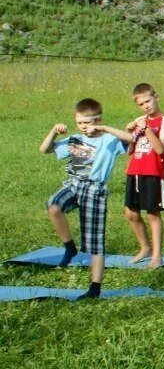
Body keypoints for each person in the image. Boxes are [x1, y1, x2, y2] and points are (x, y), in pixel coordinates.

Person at [39, 99, 132, 299]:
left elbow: (131, 138)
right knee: (53, 205)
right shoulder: (74, 139)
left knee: (95, 241)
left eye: (88, 123)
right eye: (80, 123)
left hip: (94, 190)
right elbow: (44, 149)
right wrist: (54, 131)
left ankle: (94, 288)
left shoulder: (109, 140)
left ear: (98, 120)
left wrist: (104, 128)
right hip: (73, 185)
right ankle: (70, 248)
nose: (83, 127)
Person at [123, 83, 164, 270]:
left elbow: (160, 149)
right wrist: (131, 133)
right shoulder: (141, 120)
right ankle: (145, 247)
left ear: (156, 97)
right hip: (135, 170)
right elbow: (131, 149)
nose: (146, 106)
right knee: (130, 212)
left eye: (148, 101)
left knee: (153, 214)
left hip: (153, 173)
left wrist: (146, 129)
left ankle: (157, 256)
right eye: (141, 104)